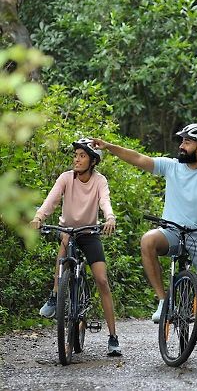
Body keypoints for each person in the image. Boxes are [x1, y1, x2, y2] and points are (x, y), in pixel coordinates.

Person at [91, 123, 197, 365]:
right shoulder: (172, 166)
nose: (181, 146)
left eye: (187, 142)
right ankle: (164, 300)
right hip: (171, 232)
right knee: (148, 239)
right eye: (181, 141)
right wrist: (108, 146)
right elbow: (138, 159)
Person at [30, 138, 122, 356]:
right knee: (63, 252)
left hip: (90, 233)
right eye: (76, 155)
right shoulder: (65, 178)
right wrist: (38, 217)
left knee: (101, 280)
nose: (77, 159)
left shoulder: (99, 181)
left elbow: (105, 201)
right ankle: (55, 296)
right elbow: (50, 201)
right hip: (69, 231)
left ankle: (113, 337)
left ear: (92, 161)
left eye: (82, 156)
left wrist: (109, 217)